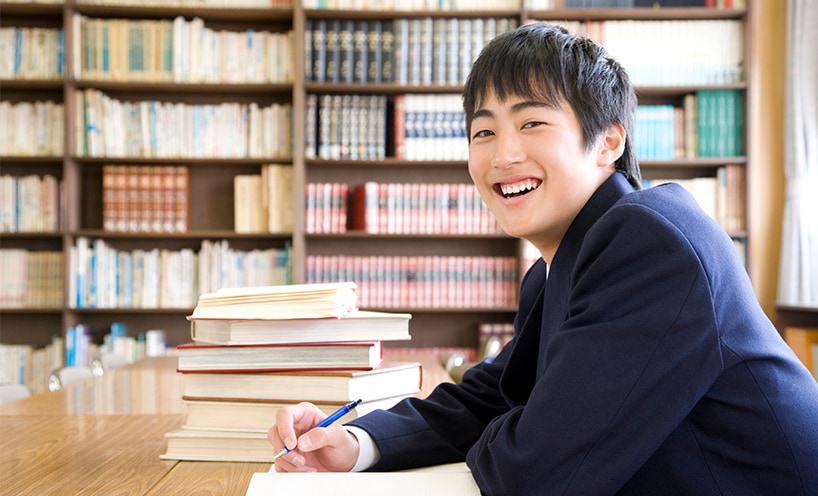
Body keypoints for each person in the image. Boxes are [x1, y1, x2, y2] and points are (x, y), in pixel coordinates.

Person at [269, 23, 818, 494]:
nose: (503, 154)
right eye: (483, 131)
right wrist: (356, 442)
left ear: (608, 142)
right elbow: (490, 396)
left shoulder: (650, 243)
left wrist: (523, 427)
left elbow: (537, 474)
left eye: (532, 123)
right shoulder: (558, 267)